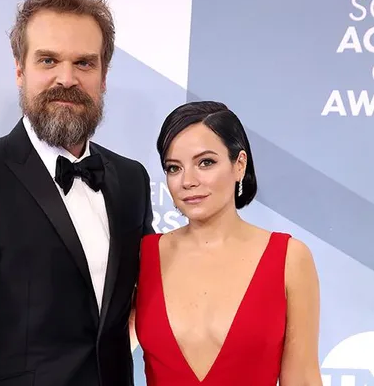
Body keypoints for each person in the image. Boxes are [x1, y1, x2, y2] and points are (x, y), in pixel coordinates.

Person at [0, 0, 154, 386]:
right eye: (48, 60)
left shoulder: (131, 180)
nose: (67, 78)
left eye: (84, 63)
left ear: (104, 75)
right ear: (20, 71)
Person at [134, 101, 322, 385]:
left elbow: (303, 379)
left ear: (239, 164)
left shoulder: (289, 258)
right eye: (174, 168)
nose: (188, 180)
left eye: (205, 162)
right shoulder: (143, 256)